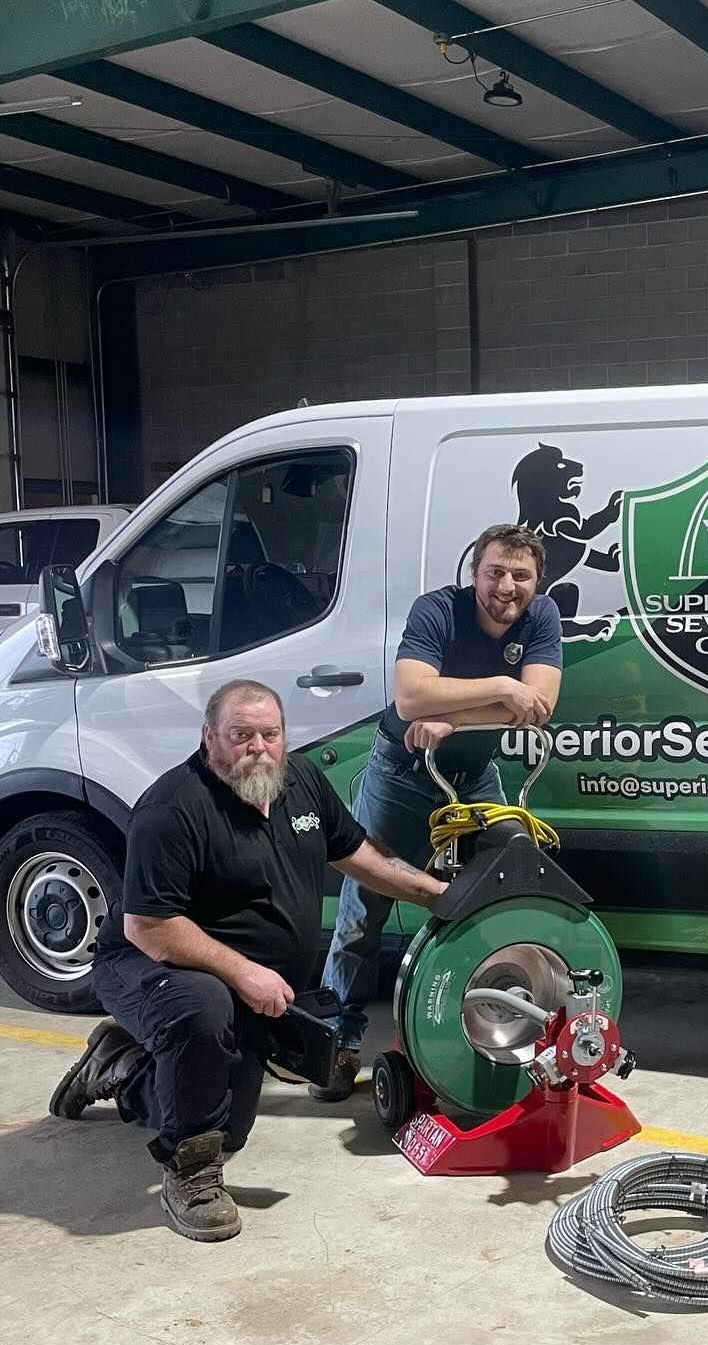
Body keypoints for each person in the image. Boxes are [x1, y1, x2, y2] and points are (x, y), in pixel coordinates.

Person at [48, 680, 449, 1243]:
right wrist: (242, 972)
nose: (258, 747)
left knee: (229, 1130)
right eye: (241, 735)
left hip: (249, 985)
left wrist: (438, 894)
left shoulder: (301, 781)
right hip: (146, 963)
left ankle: (120, 1064)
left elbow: (360, 854)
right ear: (209, 738)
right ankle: (190, 1178)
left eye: (270, 734)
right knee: (202, 1012)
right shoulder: (173, 807)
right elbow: (149, 926)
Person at [314, 522, 562, 1100]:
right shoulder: (436, 611)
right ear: (474, 572)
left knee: (509, 886)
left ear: (536, 581)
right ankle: (335, 1041)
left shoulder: (542, 617)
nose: (507, 586)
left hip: (474, 775)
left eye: (520, 576)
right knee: (362, 912)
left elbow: (538, 707)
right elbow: (410, 698)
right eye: (495, 572)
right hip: (401, 774)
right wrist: (501, 685)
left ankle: (493, 1029)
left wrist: (453, 717)